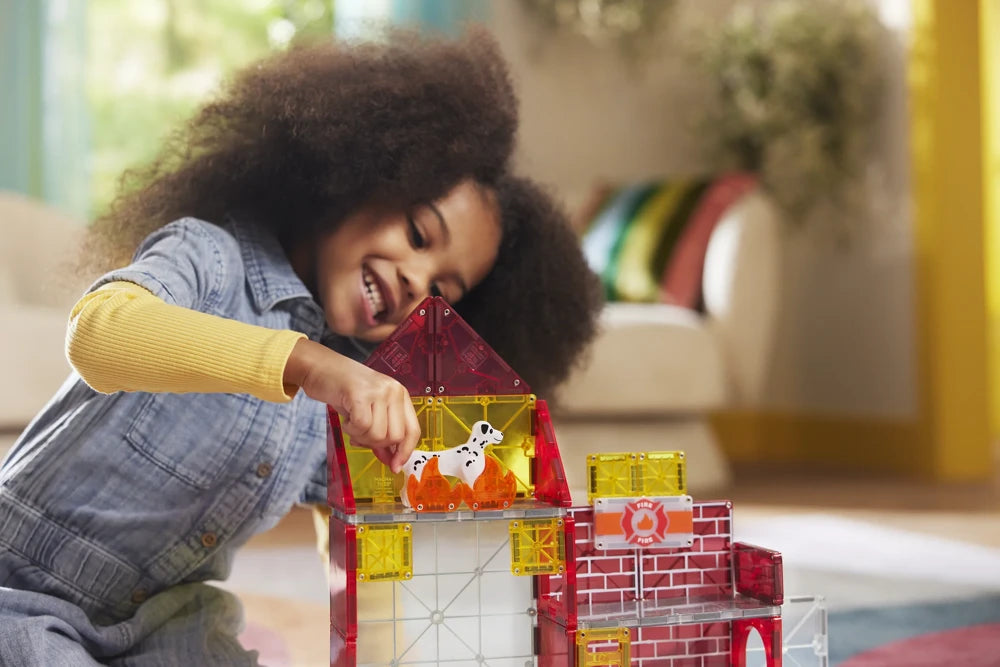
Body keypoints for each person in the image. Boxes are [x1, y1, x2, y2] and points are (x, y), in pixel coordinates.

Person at [0, 29, 602, 665]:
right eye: (419, 233)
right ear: (358, 171)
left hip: (167, 622)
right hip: (21, 590)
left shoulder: (355, 380)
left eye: (442, 294)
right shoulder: (211, 257)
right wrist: (310, 365)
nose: (415, 283)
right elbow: (99, 333)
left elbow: (353, 529)